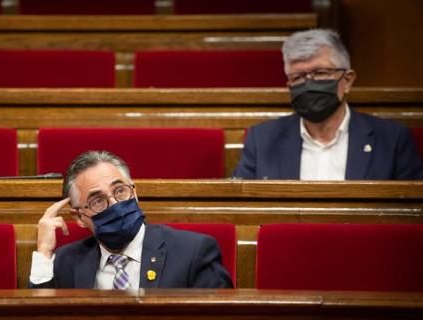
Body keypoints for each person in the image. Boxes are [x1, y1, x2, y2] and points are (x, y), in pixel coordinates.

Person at [233, 29, 423, 180]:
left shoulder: (392, 140)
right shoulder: (262, 140)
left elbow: (410, 214)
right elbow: (242, 210)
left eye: (321, 73)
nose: (309, 83)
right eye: (298, 77)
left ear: (347, 80)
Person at [29, 150, 233, 289]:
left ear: (134, 193)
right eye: (98, 201)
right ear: (80, 217)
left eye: (120, 191)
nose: (115, 205)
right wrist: (44, 253)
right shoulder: (67, 261)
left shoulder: (193, 252)